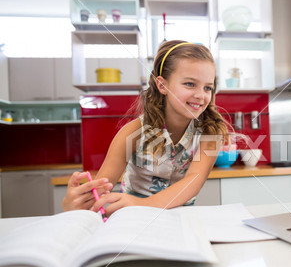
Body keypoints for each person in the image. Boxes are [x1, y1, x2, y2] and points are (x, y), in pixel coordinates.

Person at [63, 40, 230, 215]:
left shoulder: (211, 133)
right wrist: (75, 203)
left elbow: (193, 181)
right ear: (162, 85)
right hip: (134, 217)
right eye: (190, 84)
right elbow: (101, 190)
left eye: (208, 88)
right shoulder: (133, 133)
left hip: (179, 218)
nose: (200, 95)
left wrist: (142, 204)